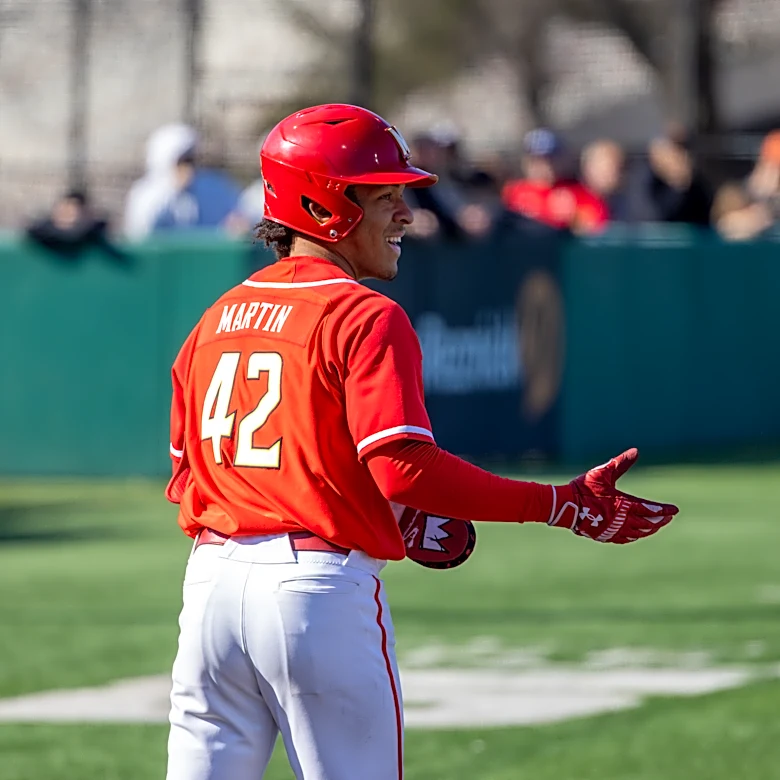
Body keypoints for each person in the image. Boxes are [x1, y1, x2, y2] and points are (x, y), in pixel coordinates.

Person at [164, 103, 679, 780]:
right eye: (385, 197)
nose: (406, 214)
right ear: (325, 208)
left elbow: (190, 477)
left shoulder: (217, 318)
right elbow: (402, 469)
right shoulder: (363, 313)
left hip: (208, 593)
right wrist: (559, 504)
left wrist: (372, 509)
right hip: (314, 593)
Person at [123, 123, 246, 240]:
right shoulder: (145, 194)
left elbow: (235, 217)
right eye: (181, 161)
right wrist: (172, 191)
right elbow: (141, 233)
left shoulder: (213, 187)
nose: (187, 167)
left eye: (190, 159)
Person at [501, 128, 609, 234]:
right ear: (526, 162)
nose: (545, 166)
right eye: (537, 160)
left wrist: (574, 219)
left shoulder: (580, 194)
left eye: (550, 159)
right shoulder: (512, 194)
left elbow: (598, 226)